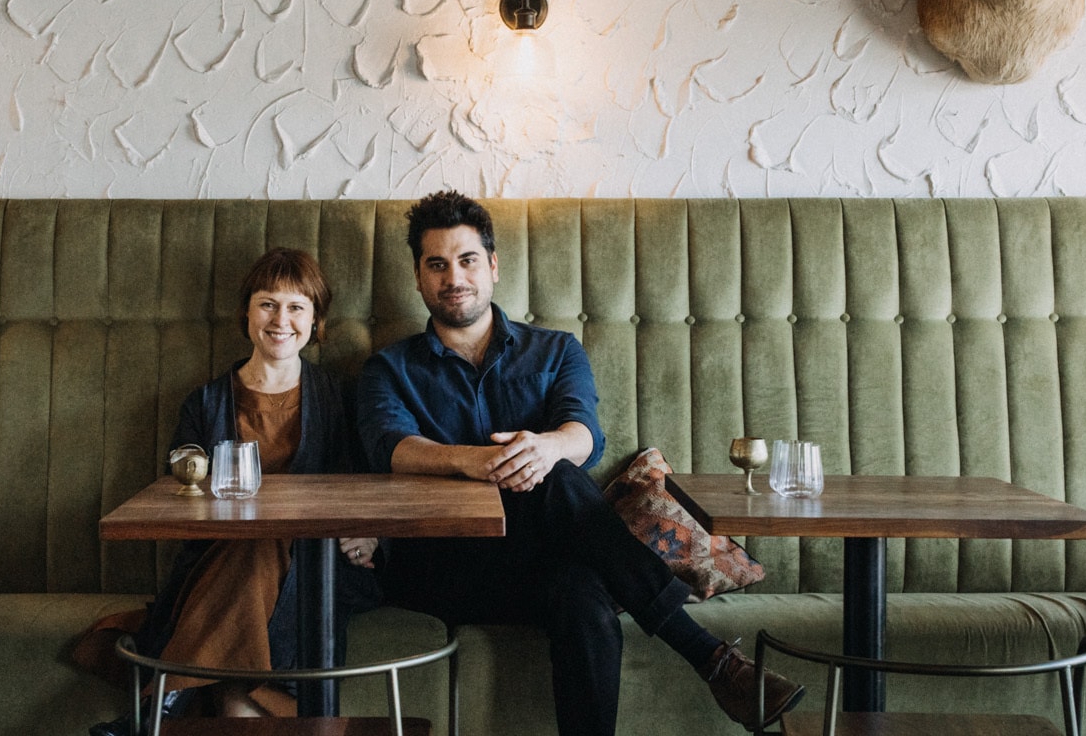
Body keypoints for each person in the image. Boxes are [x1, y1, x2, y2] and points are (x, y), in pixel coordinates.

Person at [357, 192, 805, 736]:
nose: (455, 276)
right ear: (419, 278)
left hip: (540, 561)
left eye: (468, 259)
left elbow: (582, 431)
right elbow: (392, 447)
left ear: (493, 266)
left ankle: (713, 665)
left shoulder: (555, 351)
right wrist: (476, 462)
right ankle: (709, 656)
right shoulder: (388, 367)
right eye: (438, 265)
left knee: (581, 586)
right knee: (556, 484)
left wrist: (548, 447)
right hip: (441, 564)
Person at [83, 247, 381, 733]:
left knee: (261, 548)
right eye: (267, 303)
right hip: (219, 561)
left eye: (296, 306)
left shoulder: (340, 397)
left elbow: (372, 480)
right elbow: (179, 492)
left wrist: (369, 536)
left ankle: (162, 702)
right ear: (246, 313)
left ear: (315, 320)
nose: (280, 319)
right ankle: (175, 701)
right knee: (251, 558)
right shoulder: (204, 401)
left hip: (318, 570)